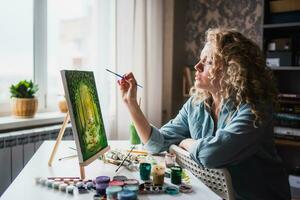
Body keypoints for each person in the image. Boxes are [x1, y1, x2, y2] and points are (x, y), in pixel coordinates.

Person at [118, 28, 291, 200]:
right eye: (200, 59)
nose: (197, 66)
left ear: (232, 69)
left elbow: (211, 155)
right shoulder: (196, 104)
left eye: (208, 62)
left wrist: (186, 142)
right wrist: (131, 104)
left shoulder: (254, 108)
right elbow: (156, 144)